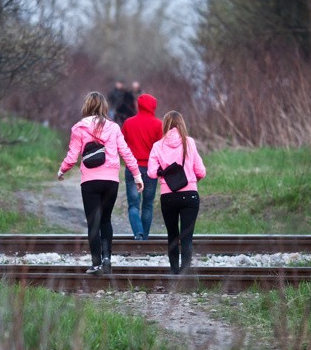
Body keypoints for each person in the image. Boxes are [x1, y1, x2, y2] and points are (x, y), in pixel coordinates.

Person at [58, 92, 144, 275]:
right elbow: (126, 152)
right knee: (106, 220)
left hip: (90, 181)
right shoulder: (113, 128)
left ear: (87, 106)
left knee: (93, 222)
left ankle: (96, 264)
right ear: (104, 107)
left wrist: (62, 170)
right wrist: (137, 175)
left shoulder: (79, 128)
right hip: (111, 181)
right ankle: (107, 259)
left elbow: (72, 156)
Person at [147, 111, 206, 274]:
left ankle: (174, 272)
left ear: (164, 125)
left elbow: (151, 173)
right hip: (190, 196)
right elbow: (201, 171)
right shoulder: (189, 142)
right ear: (182, 124)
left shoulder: (157, 146)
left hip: (168, 196)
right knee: (187, 237)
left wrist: (163, 172)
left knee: (172, 235)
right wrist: (192, 180)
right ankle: (185, 275)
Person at [121, 93, 163, 240]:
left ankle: (138, 233)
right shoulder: (158, 124)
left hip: (133, 169)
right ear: (153, 106)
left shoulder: (128, 123)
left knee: (133, 204)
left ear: (138, 105)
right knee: (148, 205)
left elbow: (123, 145)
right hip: (151, 170)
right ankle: (144, 238)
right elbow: (160, 148)